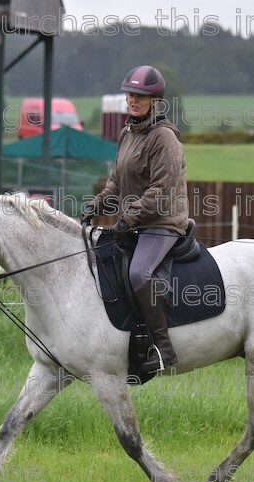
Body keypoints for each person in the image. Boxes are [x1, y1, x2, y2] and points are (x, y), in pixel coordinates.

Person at [80, 65, 189, 374]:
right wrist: (97, 203)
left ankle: (163, 349)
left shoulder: (164, 138)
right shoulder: (127, 133)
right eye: (130, 95)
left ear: (155, 101)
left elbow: (161, 191)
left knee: (139, 273)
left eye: (140, 96)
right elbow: (115, 181)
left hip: (162, 223)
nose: (133, 101)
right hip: (137, 223)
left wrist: (127, 219)